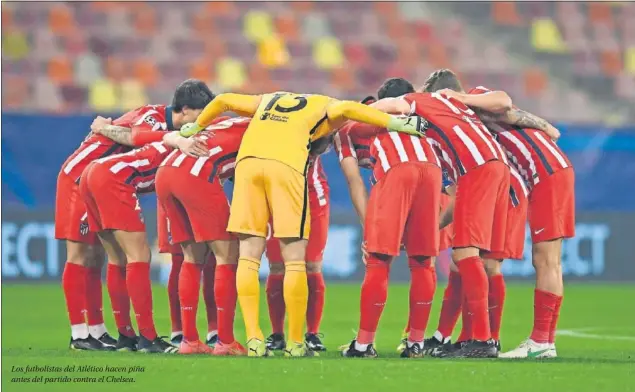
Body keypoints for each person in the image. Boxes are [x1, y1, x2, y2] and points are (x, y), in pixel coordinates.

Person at [181, 91, 426, 357]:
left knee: (249, 255)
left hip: (248, 165)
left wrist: (195, 126)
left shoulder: (269, 98)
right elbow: (349, 107)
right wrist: (398, 123)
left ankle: (254, 339)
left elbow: (223, 100)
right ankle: (296, 343)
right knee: (295, 258)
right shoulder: (325, 104)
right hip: (286, 166)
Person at [371, 74, 511, 358]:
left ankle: (482, 341)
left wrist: (343, 112)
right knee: (475, 258)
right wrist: (429, 229)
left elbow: (383, 107)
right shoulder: (457, 106)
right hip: (497, 166)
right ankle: (474, 337)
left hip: (477, 167)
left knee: (466, 255)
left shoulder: (420, 101)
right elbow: (505, 103)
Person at [78, 80, 213, 353]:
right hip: (112, 179)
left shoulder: (169, 133)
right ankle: (149, 338)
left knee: (117, 259)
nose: (207, 120)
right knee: (139, 258)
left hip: (92, 174)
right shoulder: (179, 140)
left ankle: (126, 336)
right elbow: (137, 138)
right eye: (203, 113)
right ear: (186, 111)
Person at [459, 85, 573, 359]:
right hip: (554, 172)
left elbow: (503, 101)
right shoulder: (482, 114)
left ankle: (541, 341)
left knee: (546, 260)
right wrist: (545, 125)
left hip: (545, 174)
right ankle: (545, 341)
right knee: (549, 261)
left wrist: (461, 97)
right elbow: (513, 114)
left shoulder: (472, 101)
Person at [155, 116, 252, 355]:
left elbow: (172, 138)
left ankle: (189, 340)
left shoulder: (223, 121)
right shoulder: (262, 129)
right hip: (197, 176)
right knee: (227, 256)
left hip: (166, 172)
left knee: (191, 257)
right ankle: (226, 341)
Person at [265, 154, 329, 353]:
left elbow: (325, 139)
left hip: (312, 195)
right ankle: (277, 334)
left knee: (311, 264)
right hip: (277, 194)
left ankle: (312, 334)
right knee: (277, 265)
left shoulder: (312, 123)